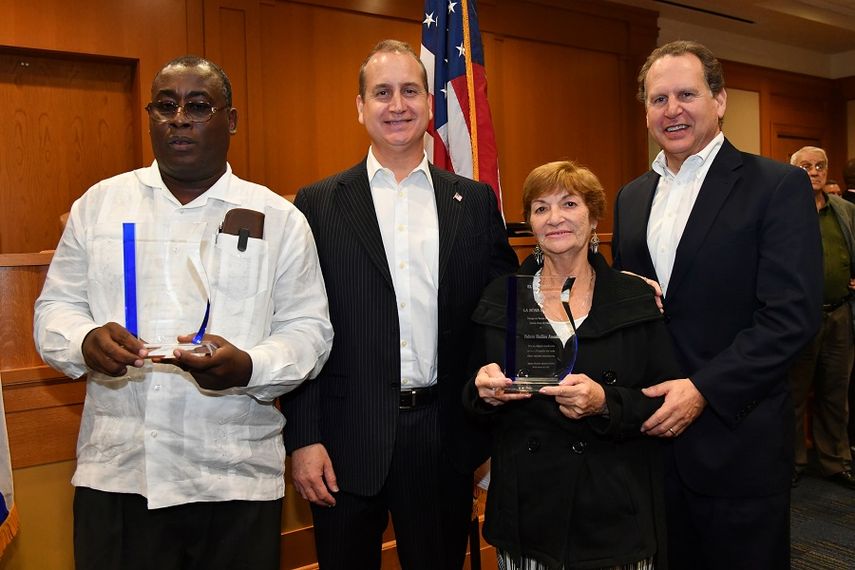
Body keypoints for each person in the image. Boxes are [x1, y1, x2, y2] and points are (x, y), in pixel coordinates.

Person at [33, 55, 333, 570]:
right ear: (150, 115)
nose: (179, 119)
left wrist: (250, 367)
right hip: (121, 475)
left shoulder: (279, 218)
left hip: (233, 479)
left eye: (198, 106)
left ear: (231, 120)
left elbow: (308, 330)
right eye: (165, 106)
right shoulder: (99, 206)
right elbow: (53, 310)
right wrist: (84, 341)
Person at [278, 39, 517, 570]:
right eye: (381, 92)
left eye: (410, 91)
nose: (397, 105)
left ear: (430, 105)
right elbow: (295, 326)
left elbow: (500, 311)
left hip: (443, 437)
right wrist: (304, 438)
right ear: (360, 107)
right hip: (342, 441)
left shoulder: (474, 202)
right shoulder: (317, 204)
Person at [612, 41, 822, 569]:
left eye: (687, 94)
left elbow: (791, 317)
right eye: (658, 99)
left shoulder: (777, 186)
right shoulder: (632, 196)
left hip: (737, 442)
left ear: (720, 100)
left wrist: (704, 389)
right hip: (652, 444)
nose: (672, 110)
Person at [465, 161, 681, 570]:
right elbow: (468, 391)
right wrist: (484, 392)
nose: (555, 217)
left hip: (613, 509)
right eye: (541, 208)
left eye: (569, 203)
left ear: (594, 216)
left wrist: (605, 403)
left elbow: (664, 403)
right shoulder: (500, 297)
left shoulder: (634, 298)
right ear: (529, 221)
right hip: (527, 512)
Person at [788, 146, 855, 490]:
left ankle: (834, 461)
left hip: (841, 314)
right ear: (793, 170)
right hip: (800, 319)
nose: (814, 171)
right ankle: (795, 460)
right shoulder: (785, 211)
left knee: (835, 392)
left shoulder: (845, 210)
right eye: (805, 166)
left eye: (820, 165)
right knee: (796, 394)